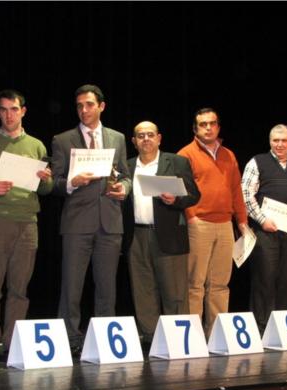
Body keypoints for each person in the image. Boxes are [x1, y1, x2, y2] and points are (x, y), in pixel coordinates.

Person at [0, 89, 53, 357]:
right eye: (3, 110)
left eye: (14, 109)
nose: (9, 115)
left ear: (23, 111)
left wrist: (46, 180)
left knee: (20, 289)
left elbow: (46, 189)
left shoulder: (36, 145)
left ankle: (13, 341)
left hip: (27, 222)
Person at [51, 84, 131, 354]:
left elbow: (125, 175)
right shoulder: (63, 140)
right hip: (76, 223)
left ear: (101, 106)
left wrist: (124, 188)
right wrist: (71, 182)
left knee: (107, 287)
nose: (83, 110)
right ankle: (68, 339)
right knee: (71, 286)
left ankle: (105, 339)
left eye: (89, 105)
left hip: (110, 221)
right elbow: (54, 183)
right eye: (79, 106)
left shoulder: (117, 138)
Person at [123, 121, 200, 343]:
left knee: (175, 292)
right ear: (134, 141)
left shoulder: (176, 162)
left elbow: (194, 195)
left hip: (169, 234)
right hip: (136, 235)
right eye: (140, 136)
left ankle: (179, 338)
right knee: (143, 290)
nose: (146, 139)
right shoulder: (127, 166)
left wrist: (176, 199)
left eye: (150, 135)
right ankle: (151, 338)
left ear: (159, 138)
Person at [177, 108, 248, 337]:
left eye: (212, 123)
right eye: (203, 124)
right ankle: (194, 335)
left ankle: (216, 334)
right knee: (195, 283)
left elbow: (236, 190)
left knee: (220, 284)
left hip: (225, 224)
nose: (208, 128)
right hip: (199, 224)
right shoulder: (185, 154)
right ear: (195, 129)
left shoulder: (228, 154)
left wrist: (242, 221)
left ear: (218, 127)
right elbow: (180, 190)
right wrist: (192, 216)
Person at [241, 124, 287, 333]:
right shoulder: (257, 162)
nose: (280, 144)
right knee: (264, 277)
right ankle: (261, 326)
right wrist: (262, 219)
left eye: (284, 140)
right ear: (270, 141)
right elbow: (245, 195)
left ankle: (283, 325)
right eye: (275, 140)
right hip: (265, 231)